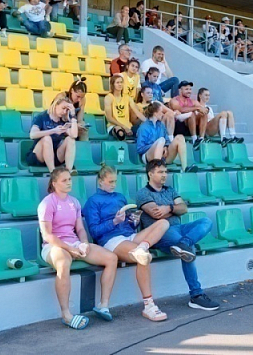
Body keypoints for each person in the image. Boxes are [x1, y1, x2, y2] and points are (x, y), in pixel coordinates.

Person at [84, 166, 171, 322]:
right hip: (111, 240)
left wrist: (133, 221)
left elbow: (129, 227)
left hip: (129, 236)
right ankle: (149, 305)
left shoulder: (120, 197)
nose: (113, 185)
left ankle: (143, 246)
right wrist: (114, 222)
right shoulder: (93, 201)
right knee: (142, 257)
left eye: (115, 181)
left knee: (163, 223)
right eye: (110, 181)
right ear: (100, 181)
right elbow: (95, 232)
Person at [38, 167, 118, 329]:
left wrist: (84, 243)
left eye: (70, 179)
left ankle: (103, 305)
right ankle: (66, 314)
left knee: (111, 258)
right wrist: (69, 249)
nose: (69, 183)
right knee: (63, 263)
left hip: (74, 243)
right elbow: (47, 235)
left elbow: (80, 229)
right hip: (53, 246)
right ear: (54, 183)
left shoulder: (74, 202)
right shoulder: (47, 203)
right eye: (64, 180)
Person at [137, 159, 221, 311]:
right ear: (150, 174)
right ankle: (196, 295)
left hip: (179, 229)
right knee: (189, 249)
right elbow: (156, 214)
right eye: (160, 172)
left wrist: (168, 208)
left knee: (206, 221)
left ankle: (184, 243)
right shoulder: (143, 193)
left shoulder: (170, 190)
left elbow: (184, 208)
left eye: (165, 172)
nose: (164, 175)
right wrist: (174, 209)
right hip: (161, 233)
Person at [27, 93, 78, 172]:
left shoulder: (63, 120)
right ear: (55, 105)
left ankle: (69, 171)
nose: (64, 112)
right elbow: (32, 135)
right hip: (39, 155)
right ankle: (53, 172)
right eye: (63, 108)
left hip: (55, 156)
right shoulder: (42, 117)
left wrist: (73, 116)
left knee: (70, 140)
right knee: (47, 138)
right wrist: (53, 131)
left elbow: (74, 135)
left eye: (67, 110)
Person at [136, 102, 192, 171]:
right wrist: (157, 146)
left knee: (180, 137)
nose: (163, 114)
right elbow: (140, 149)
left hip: (163, 155)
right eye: (161, 112)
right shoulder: (143, 127)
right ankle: (157, 170)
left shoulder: (161, 125)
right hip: (148, 157)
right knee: (161, 140)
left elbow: (167, 140)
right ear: (155, 113)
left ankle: (185, 168)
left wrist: (165, 147)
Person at [104, 74, 145, 140]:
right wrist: (124, 127)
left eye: (121, 82)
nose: (120, 84)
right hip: (114, 125)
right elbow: (109, 118)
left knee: (143, 130)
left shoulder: (127, 97)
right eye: (117, 82)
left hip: (128, 125)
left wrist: (148, 121)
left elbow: (137, 113)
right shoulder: (108, 98)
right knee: (120, 133)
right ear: (113, 84)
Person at [170, 81, 209, 149]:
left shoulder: (193, 101)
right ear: (180, 90)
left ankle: (201, 138)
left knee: (203, 114)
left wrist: (205, 110)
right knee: (191, 114)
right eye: (186, 89)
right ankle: (194, 139)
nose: (189, 91)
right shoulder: (174, 100)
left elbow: (204, 109)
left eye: (190, 89)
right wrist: (197, 108)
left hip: (191, 127)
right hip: (179, 127)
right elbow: (181, 109)